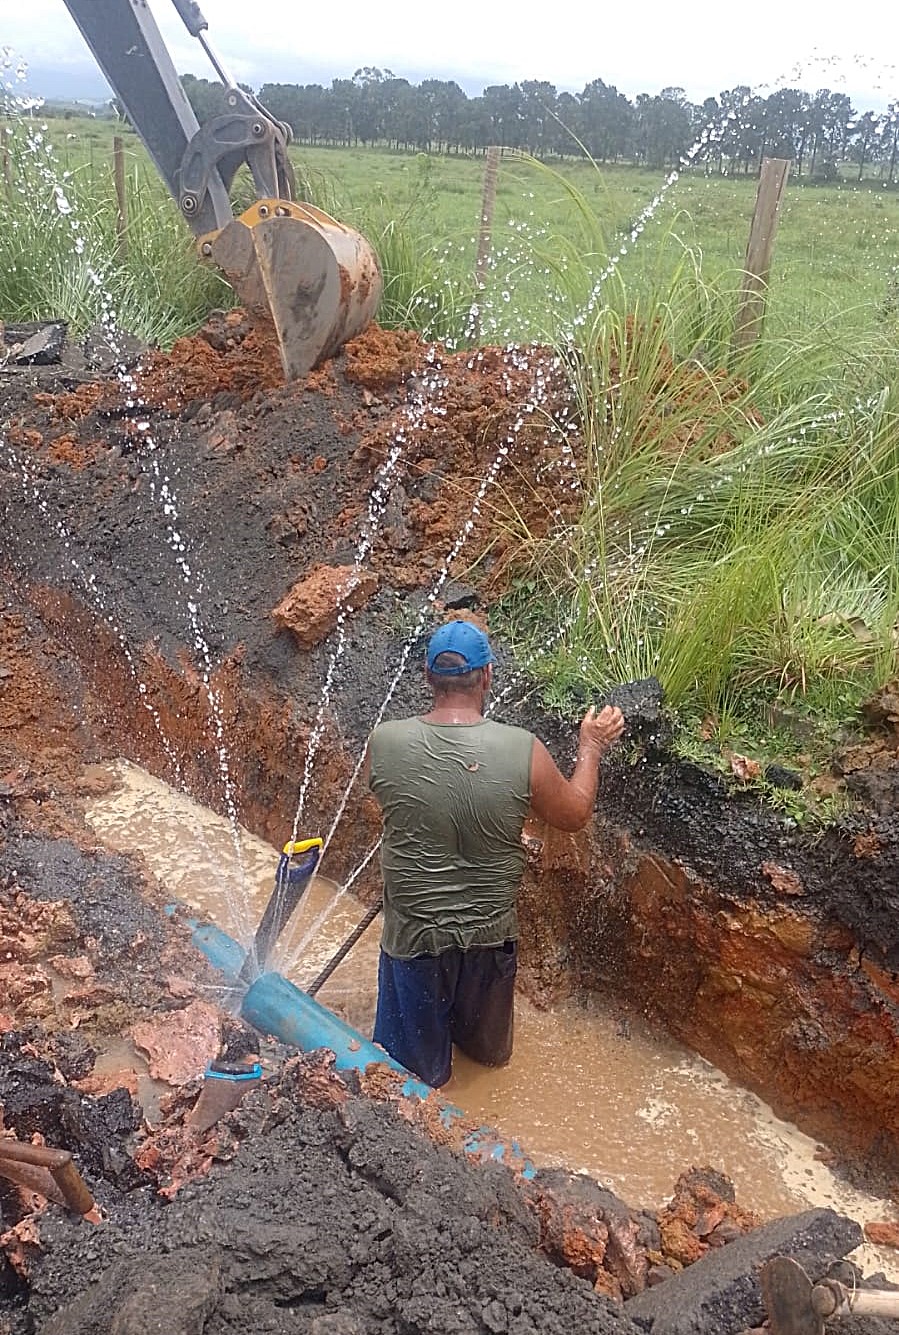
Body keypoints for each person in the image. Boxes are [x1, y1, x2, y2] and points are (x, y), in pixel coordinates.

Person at [364, 619, 625, 1087]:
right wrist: (591, 747)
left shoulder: (385, 741)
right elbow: (574, 814)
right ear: (486, 678)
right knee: (487, 1068)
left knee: (413, 1083)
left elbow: (420, 805)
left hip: (415, 946)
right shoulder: (523, 750)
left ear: (427, 677)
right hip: (491, 944)